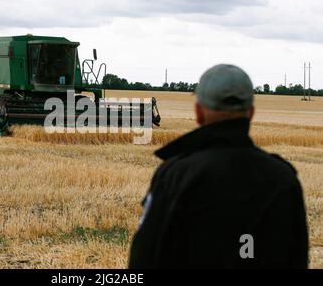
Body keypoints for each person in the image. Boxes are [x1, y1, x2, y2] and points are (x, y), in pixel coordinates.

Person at [129, 64, 308, 268]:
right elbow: (297, 258)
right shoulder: (284, 179)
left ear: (198, 112)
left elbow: (143, 259)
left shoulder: (175, 174)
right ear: (251, 113)